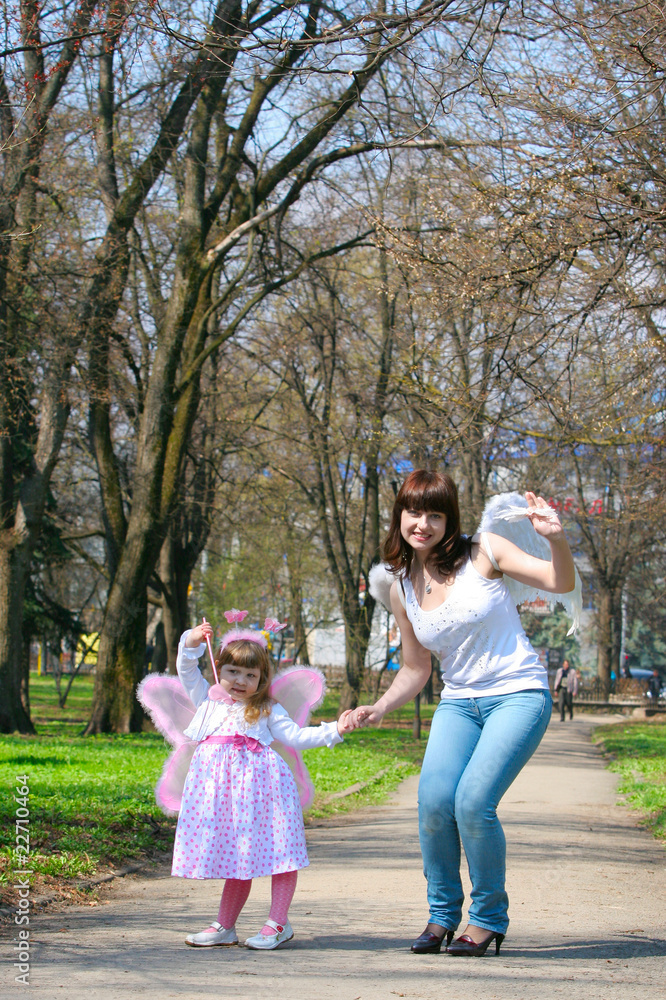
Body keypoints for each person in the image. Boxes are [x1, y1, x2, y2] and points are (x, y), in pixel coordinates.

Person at [353, 470, 575, 957]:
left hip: (517, 693)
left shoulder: (485, 551)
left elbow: (560, 581)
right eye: (414, 512)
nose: (423, 524)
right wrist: (380, 706)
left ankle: (488, 919)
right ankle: (441, 915)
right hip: (459, 702)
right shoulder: (400, 585)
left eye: (436, 514)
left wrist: (555, 539)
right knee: (434, 802)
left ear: (450, 519)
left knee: (473, 802)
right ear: (400, 516)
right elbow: (416, 667)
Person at [173, 620, 354, 950]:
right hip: (224, 799)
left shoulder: (266, 708)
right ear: (219, 669)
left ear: (262, 679)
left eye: (250, 675)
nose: (240, 681)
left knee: (280, 852)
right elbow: (186, 668)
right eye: (232, 672)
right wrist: (192, 641)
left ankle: (278, 923)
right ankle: (225, 926)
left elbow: (296, 736)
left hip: (265, 793)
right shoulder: (207, 700)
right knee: (236, 856)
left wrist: (335, 730)